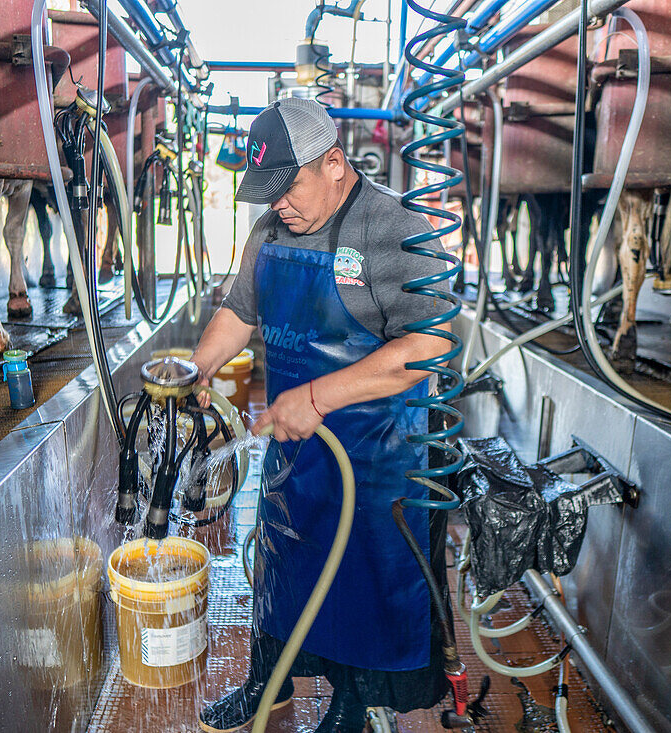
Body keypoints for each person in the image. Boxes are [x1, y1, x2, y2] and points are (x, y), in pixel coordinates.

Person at [191, 96, 455, 733]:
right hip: (297, 455)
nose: (278, 203)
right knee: (282, 570)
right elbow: (237, 310)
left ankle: (350, 704)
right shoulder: (270, 231)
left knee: (357, 577)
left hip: (377, 457)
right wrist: (194, 369)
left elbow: (427, 349)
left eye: (290, 186)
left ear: (335, 163)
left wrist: (315, 398)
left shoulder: (395, 228)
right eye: (268, 191)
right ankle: (269, 685)